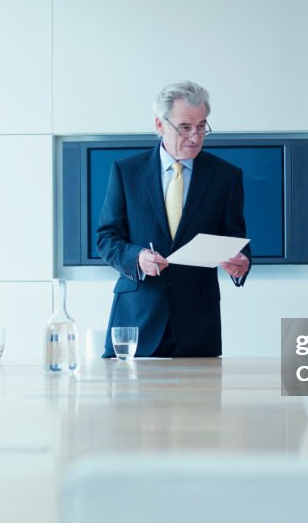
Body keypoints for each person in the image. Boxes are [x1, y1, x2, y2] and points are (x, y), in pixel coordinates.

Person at [96, 81, 251, 357]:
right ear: (159, 124)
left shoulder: (226, 177)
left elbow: (235, 238)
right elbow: (107, 238)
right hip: (136, 322)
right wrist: (138, 258)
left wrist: (241, 263)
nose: (195, 136)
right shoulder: (126, 171)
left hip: (197, 326)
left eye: (202, 126)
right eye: (185, 127)